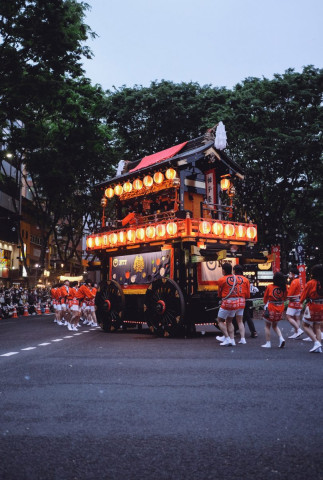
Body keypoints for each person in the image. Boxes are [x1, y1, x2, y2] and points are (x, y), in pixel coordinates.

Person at [215, 262, 248, 346]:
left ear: (223, 271)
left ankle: (227, 338)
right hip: (236, 303)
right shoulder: (237, 279)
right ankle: (232, 340)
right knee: (229, 321)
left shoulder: (221, 280)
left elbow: (219, 293)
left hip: (227, 303)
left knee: (220, 320)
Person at [299, 264, 323, 353]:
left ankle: (316, 342)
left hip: (313, 306)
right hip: (322, 306)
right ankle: (319, 347)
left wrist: (300, 302)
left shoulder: (311, 283)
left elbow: (304, 295)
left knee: (305, 325)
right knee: (317, 327)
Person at [261, 272, 287, 348]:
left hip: (271, 307)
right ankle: (281, 338)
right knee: (275, 325)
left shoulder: (270, 287)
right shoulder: (284, 287)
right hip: (280, 307)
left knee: (267, 326)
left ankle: (268, 343)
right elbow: (285, 298)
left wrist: (265, 304)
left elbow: (265, 298)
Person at [286, 267, 304, 339]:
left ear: (293, 274)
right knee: (297, 318)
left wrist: (287, 295)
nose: (289, 274)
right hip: (299, 302)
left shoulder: (294, 281)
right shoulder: (300, 280)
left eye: (290, 273)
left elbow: (290, 294)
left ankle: (298, 330)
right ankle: (296, 333)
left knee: (288, 317)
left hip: (293, 302)